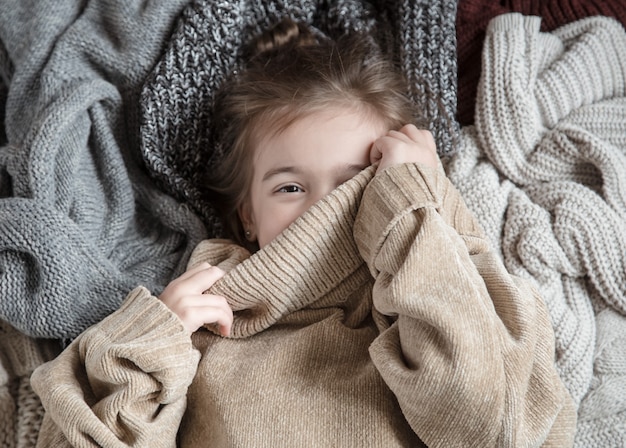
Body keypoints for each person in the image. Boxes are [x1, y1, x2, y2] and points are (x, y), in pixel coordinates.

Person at [31, 18, 576, 447]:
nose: (323, 211)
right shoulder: (201, 326)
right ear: (247, 214)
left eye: (357, 187)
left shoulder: (437, 301)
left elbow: (492, 428)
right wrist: (149, 349)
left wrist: (420, 211)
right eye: (290, 188)